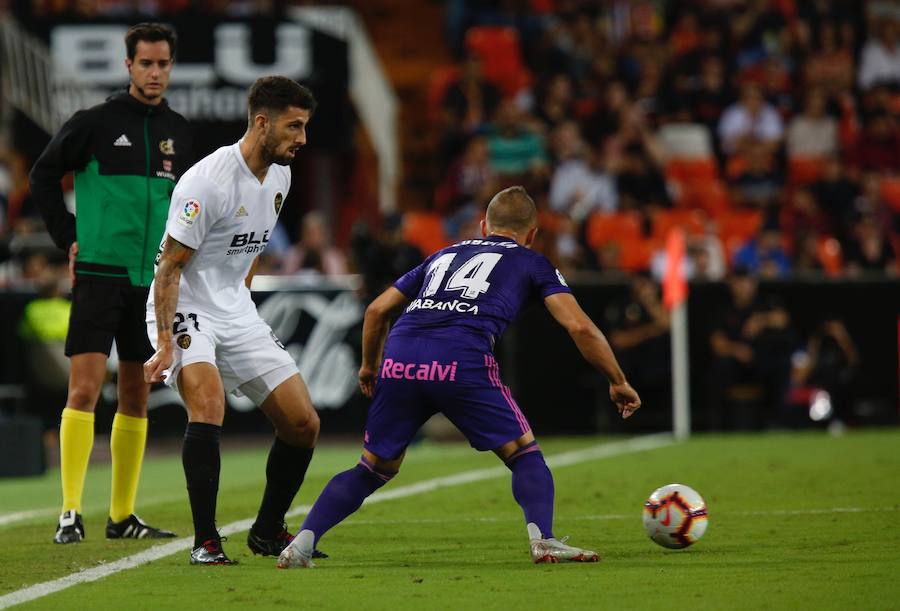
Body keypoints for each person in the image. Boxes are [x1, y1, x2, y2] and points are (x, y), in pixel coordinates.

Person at [277, 186, 641, 569]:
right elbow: (580, 328)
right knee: (523, 453)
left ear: (484, 226)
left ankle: (301, 545)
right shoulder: (533, 262)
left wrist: (370, 366)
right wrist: (617, 379)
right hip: (459, 356)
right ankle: (544, 540)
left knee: (372, 468)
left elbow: (376, 310)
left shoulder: (444, 253)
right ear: (532, 234)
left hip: (400, 357)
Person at [144, 76, 322, 566]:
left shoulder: (280, 176)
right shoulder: (207, 182)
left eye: (304, 127)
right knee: (208, 403)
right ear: (261, 122)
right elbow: (170, 267)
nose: (301, 138)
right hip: (185, 305)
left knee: (304, 423)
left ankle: (267, 531)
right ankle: (205, 541)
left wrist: (242, 307)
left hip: (234, 310)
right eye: (294, 126)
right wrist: (163, 342)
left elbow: (252, 247)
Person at [29, 22, 192, 545]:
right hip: (99, 275)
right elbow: (41, 175)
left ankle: (122, 516)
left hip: (151, 284)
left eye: (163, 63)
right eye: (145, 63)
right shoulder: (94, 123)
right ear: (128, 66)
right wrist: (68, 236)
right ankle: (70, 512)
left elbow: (191, 208)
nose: (155, 72)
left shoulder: (180, 131)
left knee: (137, 396)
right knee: (83, 389)